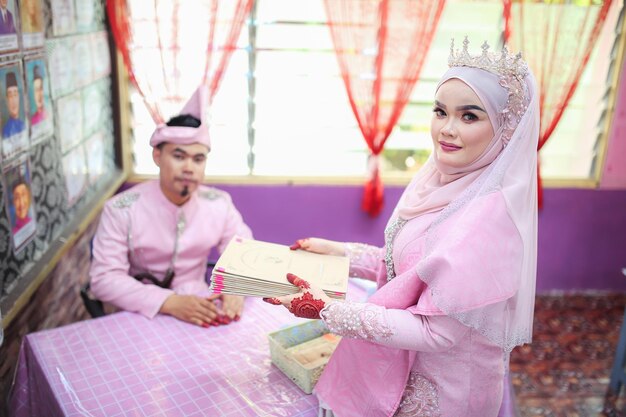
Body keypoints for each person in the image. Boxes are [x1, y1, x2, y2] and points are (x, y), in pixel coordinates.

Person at [264, 37, 539, 416]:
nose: (447, 129)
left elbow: (435, 331)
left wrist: (331, 311)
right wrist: (341, 252)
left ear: (505, 130)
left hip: (448, 392)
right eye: (440, 112)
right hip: (405, 368)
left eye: (470, 116)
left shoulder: (490, 219)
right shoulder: (440, 182)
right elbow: (413, 267)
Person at [90, 85, 253, 327]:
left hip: (200, 306)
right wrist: (170, 302)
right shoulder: (121, 209)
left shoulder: (218, 204)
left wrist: (234, 287)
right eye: (179, 156)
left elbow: (246, 253)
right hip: (139, 311)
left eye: (198, 159)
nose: (189, 167)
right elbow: (103, 279)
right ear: (158, 156)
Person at [3, 71, 24, 138]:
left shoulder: (24, 125)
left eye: (15, 95)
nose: (13, 101)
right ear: (7, 100)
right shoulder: (5, 131)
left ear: (19, 97)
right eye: (10, 96)